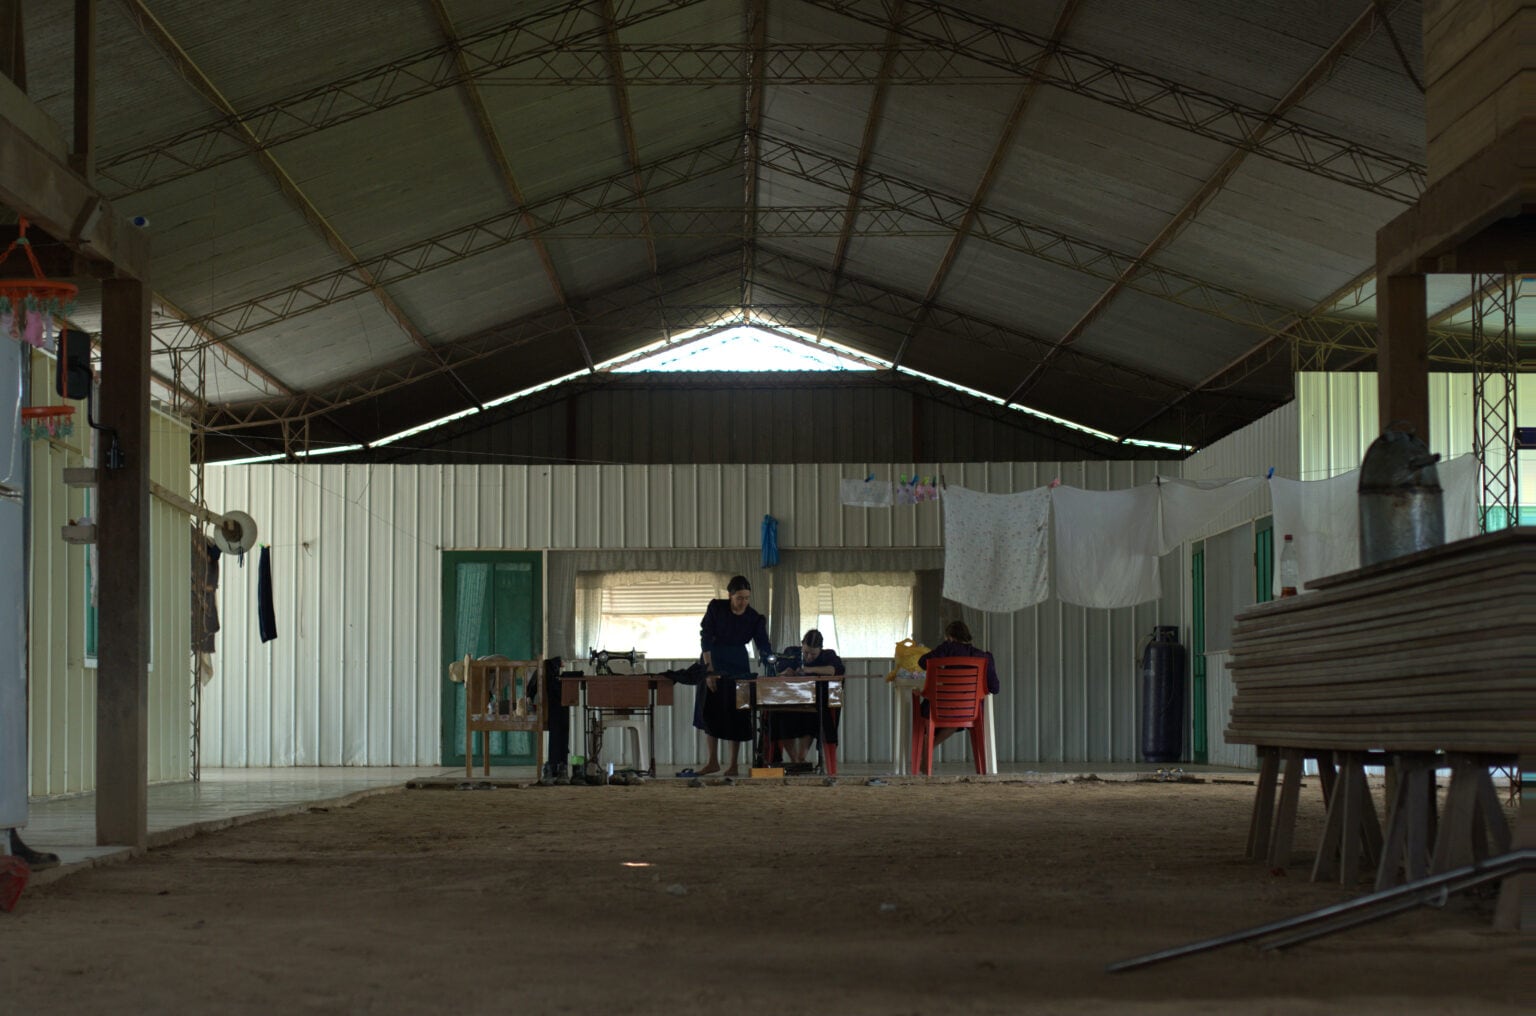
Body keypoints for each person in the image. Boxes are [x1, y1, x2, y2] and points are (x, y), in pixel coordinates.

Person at [694, 575, 772, 777]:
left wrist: (769, 659)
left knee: (736, 712)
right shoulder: (716, 609)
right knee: (711, 709)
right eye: (739, 598)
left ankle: (733, 764)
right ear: (730, 595)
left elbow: (763, 643)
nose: (743, 602)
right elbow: (706, 638)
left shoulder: (754, 618)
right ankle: (712, 761)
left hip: (738, 662)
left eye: (747, 598)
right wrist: (709, 671)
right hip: (713, 658)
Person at [916, 620, 1000, 750]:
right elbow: (995, 688)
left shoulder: (947, 648)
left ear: (949, 637)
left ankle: (928, 744)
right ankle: (930, 745)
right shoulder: (984, 657)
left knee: (931, 711)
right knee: (956, 715)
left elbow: (922, 662)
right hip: (971, 710)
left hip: (941, 708)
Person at [770, 629, 845, 766]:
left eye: (813, 654)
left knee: (813, 718)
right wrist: (784, 673)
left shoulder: (828, 655)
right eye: (806, 652)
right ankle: (794, 760)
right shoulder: (791, 653)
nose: (809, 657)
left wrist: (809, 670)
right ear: (801, 645)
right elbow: (777, 672)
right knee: (777, 716)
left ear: (820, 650)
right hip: (790, 701)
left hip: (814, 702)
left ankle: (801, 757)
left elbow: (835, 670)